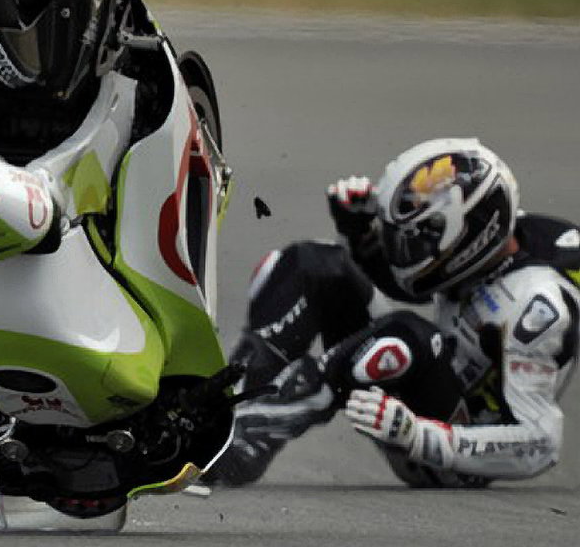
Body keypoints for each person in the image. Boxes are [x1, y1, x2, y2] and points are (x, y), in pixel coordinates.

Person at [212, 138, 579, 488]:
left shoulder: (536, 310)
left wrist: (417, 436)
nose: (404, 252)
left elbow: (539, 445)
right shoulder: (496, 241)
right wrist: (360, 237)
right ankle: (225, 409)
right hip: (424, 385)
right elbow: (414, 283)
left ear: (473, 235)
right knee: (311, 265)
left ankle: (254, 429)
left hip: (452, 450)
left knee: (406, 335)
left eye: (417, 240)